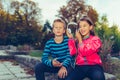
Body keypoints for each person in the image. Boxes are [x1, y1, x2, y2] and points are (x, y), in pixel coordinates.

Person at [66, 16, 105, 80]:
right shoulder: (78, 40)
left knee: (99, 77)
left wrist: (80, 40)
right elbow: (73, 53)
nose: (82, 28)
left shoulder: (95, 39)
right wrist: (70, 39)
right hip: (80, 66)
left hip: (94, 66)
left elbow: (85, 52)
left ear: (90, 27)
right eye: (80, 26)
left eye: (84, 26)